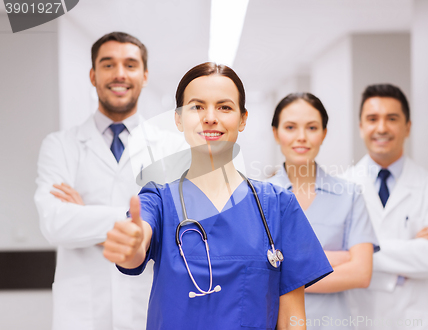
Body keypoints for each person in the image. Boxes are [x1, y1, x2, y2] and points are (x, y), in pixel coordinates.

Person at [102, 62, 333, 330]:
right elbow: (137, 245)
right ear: (178, 119)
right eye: (196, 107)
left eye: (224, 107)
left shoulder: (279, 205)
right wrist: (132, 246)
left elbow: (293, 321)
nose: (210, 117)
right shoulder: (159, 201)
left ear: (243, 119)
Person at [34, 32, 188, 330]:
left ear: (144, 76)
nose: (119, 74)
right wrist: (142, 220)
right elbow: (54, 222)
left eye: (130, 65)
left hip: (147, 306)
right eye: (108, 65)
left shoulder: (172, 147)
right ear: (93, 75)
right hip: (82, 313)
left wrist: (83, 213)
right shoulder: (60, 145)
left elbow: (177, 228)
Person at [345, 84, 428, 330]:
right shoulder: (341, 186)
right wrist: (411, 247)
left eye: (392, 119)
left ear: (407, 126)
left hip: (415, 321)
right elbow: (330, 258)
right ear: (361, 127)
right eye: (372, 119)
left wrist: (358, 253)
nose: (381, 128)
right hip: (359, 318)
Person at [267, 93, 379, 329]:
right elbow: (251, 274)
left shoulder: (349, 195)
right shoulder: (258, 198)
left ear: (324, 133)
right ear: (276, 133)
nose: (301, 137)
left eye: (312, 127)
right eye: (290, 127)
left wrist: (283, 270)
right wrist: (332, 260)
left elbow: (361, 273)